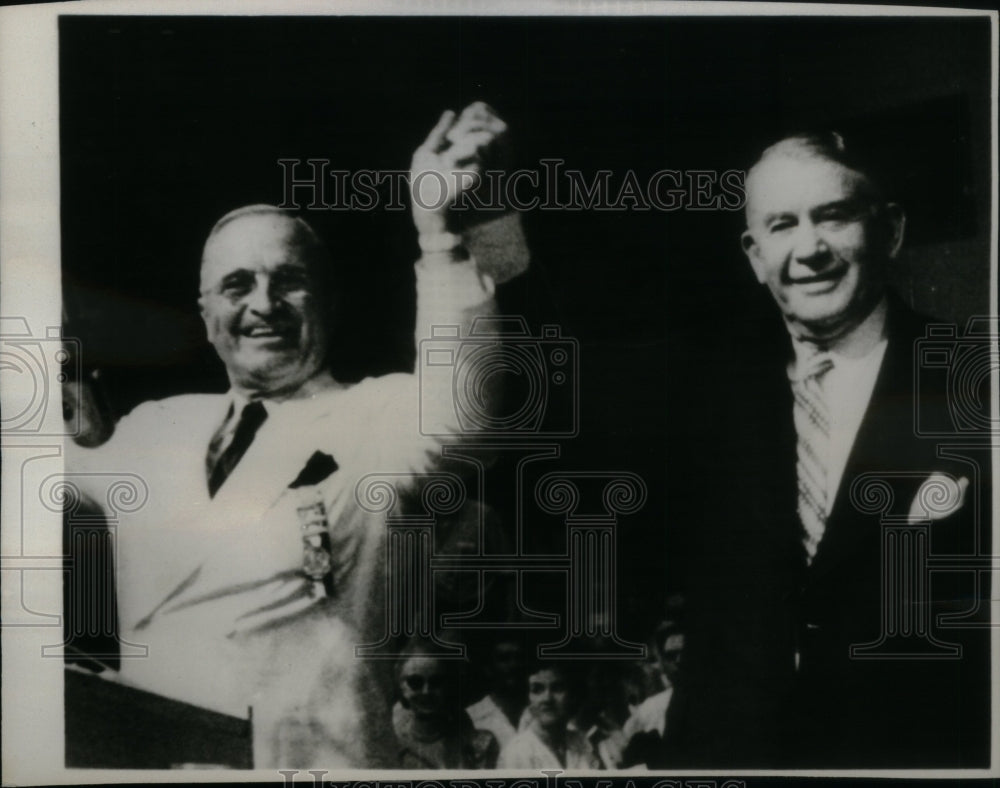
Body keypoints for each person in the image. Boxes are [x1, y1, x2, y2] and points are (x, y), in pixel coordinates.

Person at [66, 102, 513, 768]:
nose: (263, 305)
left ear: (328, 301)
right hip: (160, 763)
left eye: (291, 282)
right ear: (207, 311)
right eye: (237, 285)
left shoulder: (377, 416)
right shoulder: (153, 427)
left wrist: (441, 235)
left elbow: (469, 406)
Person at [672, 132, 990, 767]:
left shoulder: (972, 381)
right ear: (755, 254)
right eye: (783, 225)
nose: (809, 249)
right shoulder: (704, 396)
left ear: (891, 230)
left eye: (834, 216)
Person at [392, 642, 499, 769]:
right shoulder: (390, 743)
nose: (426, 691)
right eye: (415, 682)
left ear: (448, 685)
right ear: (400, 685)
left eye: (436, 682)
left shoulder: (478, 746)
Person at [497, 660, 601, 770]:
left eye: (557, 688)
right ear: (528, 698)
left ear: (572, 695)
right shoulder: (517, 753)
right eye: (537, 690)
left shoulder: (581, 743)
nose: (547, 698)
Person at [465, 634, 529, 749]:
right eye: (504, 659)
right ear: (489, 668)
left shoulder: (542, 713)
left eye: (519, 658)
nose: (513, 665)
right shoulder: (472, 718)